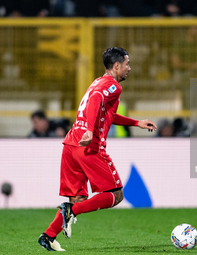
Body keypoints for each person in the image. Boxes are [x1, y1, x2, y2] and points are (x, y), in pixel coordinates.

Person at [38, 47, 157, 251]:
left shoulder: (98, 82)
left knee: (78, 199)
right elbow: (95, 101)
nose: (129, 68)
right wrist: (90, 131)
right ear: (117, 65)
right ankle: (71, 211)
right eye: (127, 64)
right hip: (88, 146)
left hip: (71, 144)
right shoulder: (113, 86)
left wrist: (136, 123)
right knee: (115, 194)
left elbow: (108, 113)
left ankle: (48, 236)